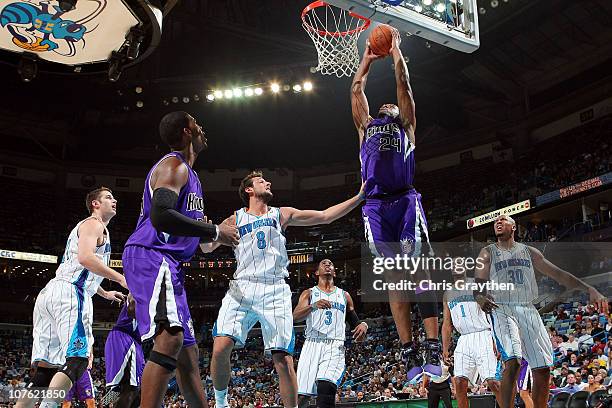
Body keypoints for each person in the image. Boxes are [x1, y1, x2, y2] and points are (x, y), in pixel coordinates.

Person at [207, 171, 365, 408]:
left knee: (283, 359)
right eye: (262, 181)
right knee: (220, 348)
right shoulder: (235, 219)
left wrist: (360, 196)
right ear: (249, 190)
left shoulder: (281, 214)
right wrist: (209, 229)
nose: (268, 183)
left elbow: (324, 216)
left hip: (275, 288)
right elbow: (207, 248)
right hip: (242, 287)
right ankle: (220, 404)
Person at [122, 111, 239, 408]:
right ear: (187, 132)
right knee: (170, 339)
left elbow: (188, 233)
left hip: (169, 262)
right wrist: (214, 230)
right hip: (152, 255)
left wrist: (212, 236)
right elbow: (161, 216)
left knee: (188, 356)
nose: (203, 128)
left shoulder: (191, 174)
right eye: (198, 124)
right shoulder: (174, 165)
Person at [351, 25, 440, 381]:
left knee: (419, 272)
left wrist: (397, 52)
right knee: (395, 279)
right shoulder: (365, 127)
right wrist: (367, 60)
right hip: (374, 206)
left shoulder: (407, 125)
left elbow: (403, 84)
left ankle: (432, 348)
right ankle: (408, 353)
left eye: (391, 103)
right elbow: (356, 89)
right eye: (383, 103)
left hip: (404, 201)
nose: (387, 103)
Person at [474, 214, 608, 408]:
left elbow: (559, 274)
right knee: (513, 362)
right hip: (502, 308)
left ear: (514, 227)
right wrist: (479, 297)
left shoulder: (529, 252)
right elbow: (479, 283)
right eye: (496, 221)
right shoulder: (487, 252)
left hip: (528, 308)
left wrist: (590, 289)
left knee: (543, 369)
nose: (498, 222)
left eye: (503, 220)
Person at [16, 187, 127, 408]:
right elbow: (86, 258)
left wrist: (104, 293)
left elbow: (79, 268)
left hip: (52, 293)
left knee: (45, 373)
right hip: (70, 295)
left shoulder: (87, 227)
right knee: (78, 362)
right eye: (108, 197)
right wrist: (120, 278)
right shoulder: (94, 224)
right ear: (95, 204)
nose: (114, 200)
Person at [293, 259, 368, 408]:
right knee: (302, 397)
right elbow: (295, 316)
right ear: (316, 272)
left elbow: (355, 322)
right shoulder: (309, 293)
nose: (327, 265)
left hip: (334, 344)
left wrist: (364, 325)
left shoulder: (344, 295)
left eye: (331, 264)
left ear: (334, 272)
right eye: (323, 264)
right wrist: (313, 306)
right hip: (312, 344)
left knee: (326, 386)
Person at [441, 268, 500, 408]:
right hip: (463, 339)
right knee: (459, 383)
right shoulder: (448, 293)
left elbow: (494, 312)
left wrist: (496, 339)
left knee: (493, 382)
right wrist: (445, 348)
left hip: (483, 333)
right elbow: (446, 323)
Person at [104, 295, 144, 408]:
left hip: (129, 341)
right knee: (131, 387)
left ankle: (103, 404)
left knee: (119, 388)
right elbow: (132, 305)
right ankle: (104, 404)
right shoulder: (140, 292)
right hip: (125, 339)